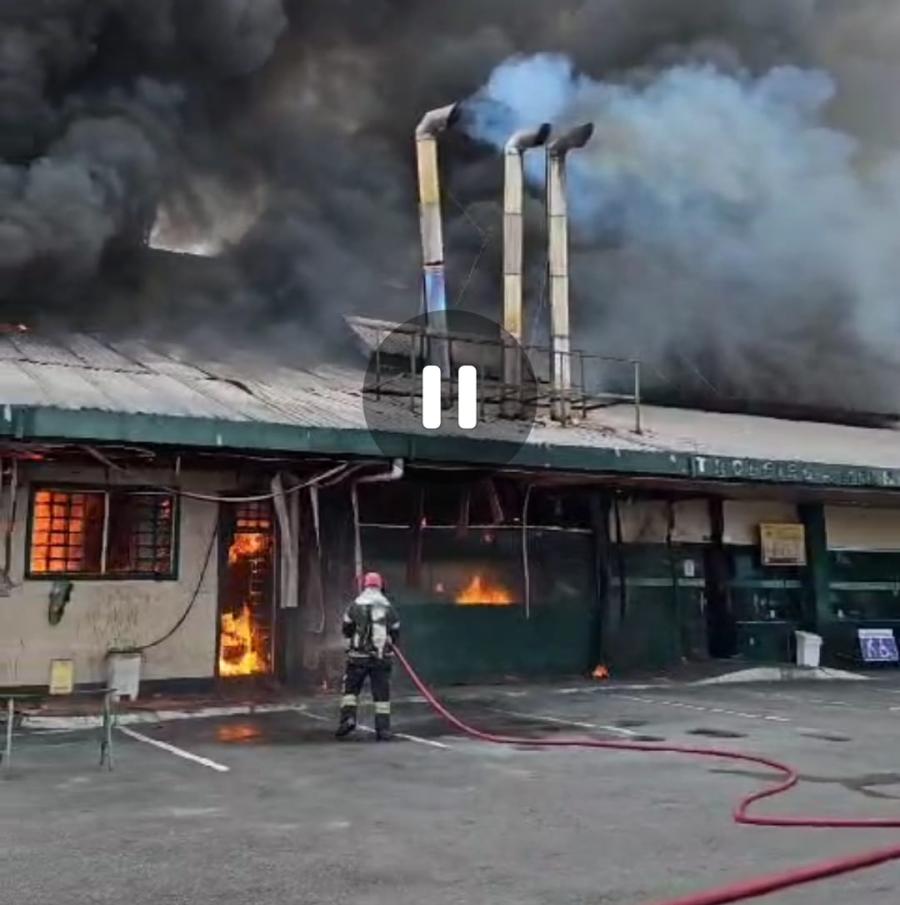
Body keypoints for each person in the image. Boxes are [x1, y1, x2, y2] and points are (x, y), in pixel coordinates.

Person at [336, 571, 401, 741]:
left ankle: (348, 719)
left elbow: (346, 630)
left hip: (357, 657)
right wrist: (389, 644)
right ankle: (383, 729)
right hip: (381, 658)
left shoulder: (355, 605)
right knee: (381, 696)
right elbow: (395, 631)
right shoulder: (388, 606)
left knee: (351, 691)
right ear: (380, 586)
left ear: (365, 585)